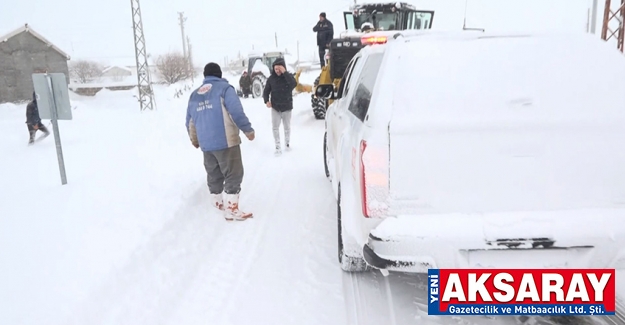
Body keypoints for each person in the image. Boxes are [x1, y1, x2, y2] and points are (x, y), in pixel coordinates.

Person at [186, 62, 256, 221]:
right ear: (219, 75)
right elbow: (236, 112)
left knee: (214, 173)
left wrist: (195, 139)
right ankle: (232, 209)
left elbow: (190, 121)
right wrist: (248, 130)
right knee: (233, 173)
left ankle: (217, 203)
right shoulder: (225, 89)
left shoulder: (194, 95)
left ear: (205, 76)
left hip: (206, 145)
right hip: (226, 142)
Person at [262, 58, 296, 155]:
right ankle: (277, 146)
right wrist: (266, 101)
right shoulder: (271, 79)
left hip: (287, 107)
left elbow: (294, 84)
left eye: (279, 68)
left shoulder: (288, 77)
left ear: (283, 68)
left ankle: (287, 144)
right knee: (275, 128)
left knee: (287, 127)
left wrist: (284, 72)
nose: (277, 71)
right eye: (275, 69)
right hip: (275, 107)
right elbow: (266, 91)